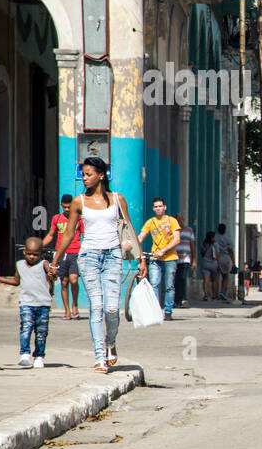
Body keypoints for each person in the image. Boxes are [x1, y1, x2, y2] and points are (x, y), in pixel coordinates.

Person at [46, 156, 140, 373]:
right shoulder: (78, 201)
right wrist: (55, 260)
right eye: (83, 174)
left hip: (113, 256)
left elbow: (129, 227)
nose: (85, 178)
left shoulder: (117, 199)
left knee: (111, 308)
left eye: (89, 174)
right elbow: (69, 233)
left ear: (101, 175)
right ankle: (100, 357)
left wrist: (140, 258)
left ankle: (111, 343)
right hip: (88, 257)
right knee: (96, 307)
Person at [0, 237, 54, 367]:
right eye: (29, 253)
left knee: (41, 332)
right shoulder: (19, 264)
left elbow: (51, 273)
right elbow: (16, 281)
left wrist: (53, 273)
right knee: (26, 328)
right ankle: (25, 354)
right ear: (24, 251)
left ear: (41, 253)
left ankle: (39, 356)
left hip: (43, 304)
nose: (32, 257)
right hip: (26, 303)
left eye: (36, 254)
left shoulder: (44, 264)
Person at [136, 197, 181, 321]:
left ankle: (168, 311)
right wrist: (133, 245)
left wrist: (164, 250)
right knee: (154, 284)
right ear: (153, 209)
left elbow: (177, 239)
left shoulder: (172, 221)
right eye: (156, 207)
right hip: (155, 258)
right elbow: (141, 236)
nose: (158, 208)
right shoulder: (150, 222)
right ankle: (156, 311)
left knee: (169, 286)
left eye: (160, 206)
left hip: (170, 258)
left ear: (165, 207)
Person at [42, 194, 83, 320]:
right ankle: (67, 311)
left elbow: (85, 235)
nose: (67, 209)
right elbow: (51, 235)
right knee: (64, 282)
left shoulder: (79, 219)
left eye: (69, 207)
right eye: (64, 207)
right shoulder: (57, 219)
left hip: (75, 252)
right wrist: (38, 246)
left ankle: (75, 304)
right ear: (61, 206)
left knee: (74, 279)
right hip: (61, 254)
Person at [174, 214, 196, 308]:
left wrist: (194, 260)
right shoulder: (173, 230)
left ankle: (183, 299)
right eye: (178, 219)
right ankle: (176, 300)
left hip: (185, 259)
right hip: (174, 258)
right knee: (175, 280)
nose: (180, 221)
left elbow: (192, 245)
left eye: (181, 219)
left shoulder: (189, 230)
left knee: (182, 279)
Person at [214, 223, 235, 301]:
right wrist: (233, 262)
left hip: (215, 258)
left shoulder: (215, 237)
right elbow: (231, 251)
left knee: (216, 277)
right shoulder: (228, 239)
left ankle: (215, 294)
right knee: (225, 276)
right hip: (225, 258)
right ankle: (222, 292)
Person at [200, 231, 219, 301]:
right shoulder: (215, 244)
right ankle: (214, 295)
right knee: (214, 280)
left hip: (205, 263)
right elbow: (218, 255)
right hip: (214, 263)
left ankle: (205, 295)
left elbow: (201, 253)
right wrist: (220, 265)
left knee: (206, 280)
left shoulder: (204, 244)